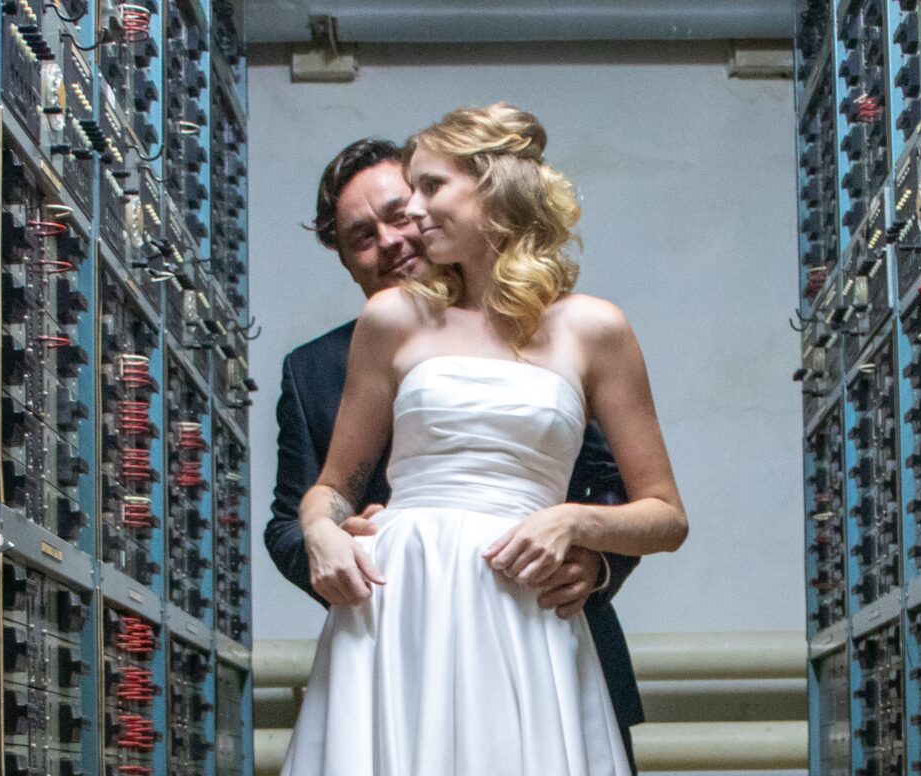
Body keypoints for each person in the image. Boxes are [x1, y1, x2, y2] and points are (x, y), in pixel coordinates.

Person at [278, 104, 686, 775]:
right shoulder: (389, 320)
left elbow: (664, 513)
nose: (413, 214)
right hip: (402, 604)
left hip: (528, 604)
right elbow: (329, 488)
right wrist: (321, 532)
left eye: (428, 188)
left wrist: (577, 526)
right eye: (364, 233)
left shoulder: (596, 329)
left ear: (493, 185)